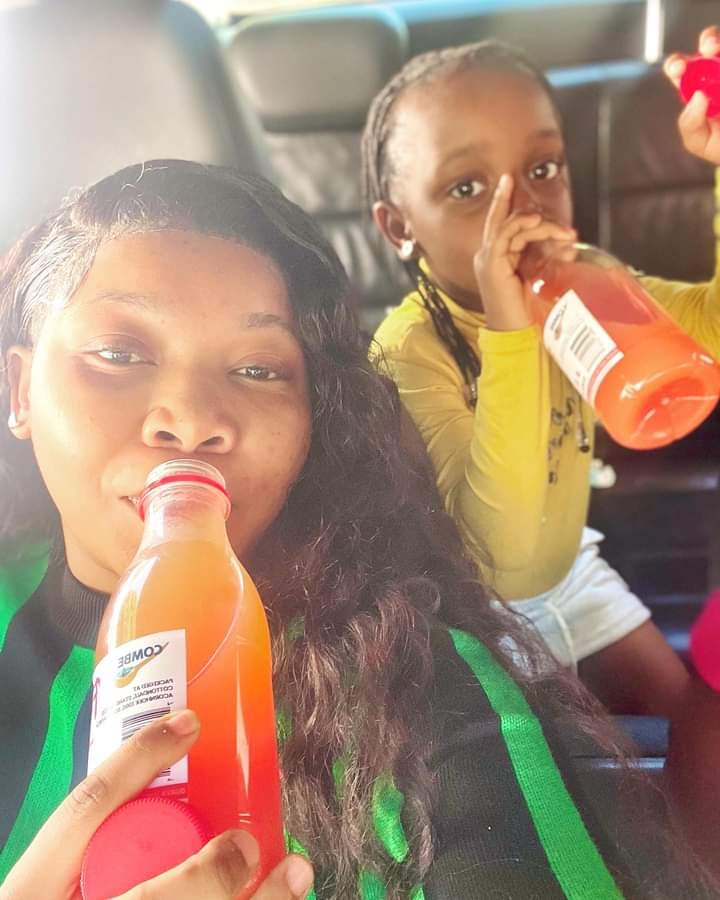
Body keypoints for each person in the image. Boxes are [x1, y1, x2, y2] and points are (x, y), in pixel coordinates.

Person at [0, 159, 716, 900]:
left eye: (258, 370)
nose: (190, 420)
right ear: (20, 390)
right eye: (118, 355)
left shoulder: (408, 678)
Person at [364, 26, 720, 717]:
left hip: (568, 572)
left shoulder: (585, 286)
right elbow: (501, 556)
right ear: (399, 227)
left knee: (696, 724)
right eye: (468, 188)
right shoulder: (409, 349)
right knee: (548, 761)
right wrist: (511, 332)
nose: (522, 212)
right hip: (468, 608)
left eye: (543, 170)